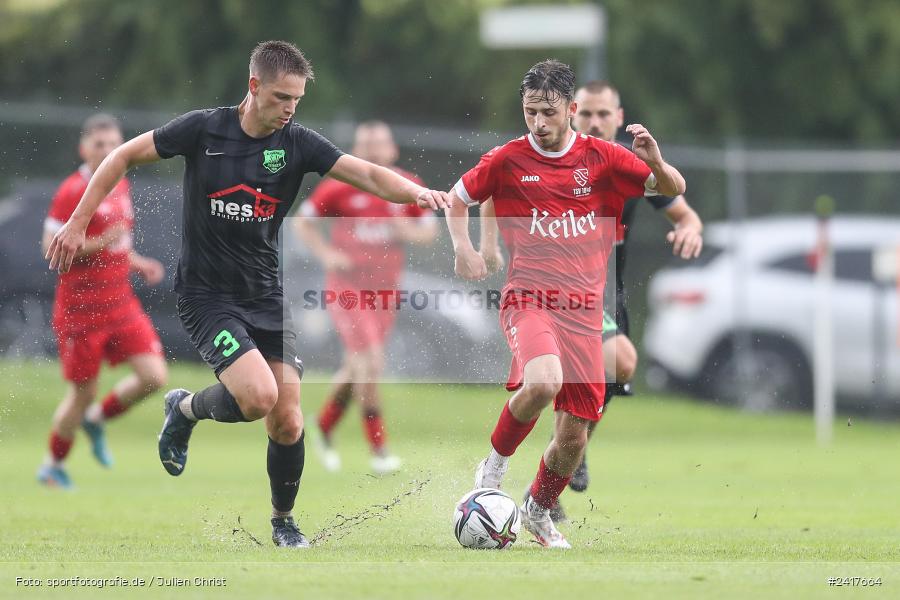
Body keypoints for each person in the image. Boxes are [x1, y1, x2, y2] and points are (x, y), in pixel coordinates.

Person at [46, 41, 449, 547]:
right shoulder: (203, 129)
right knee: (259, 396)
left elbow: (366, 173)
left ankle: (283, 521)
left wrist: (417, 194)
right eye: (281, 97)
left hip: (265, 296)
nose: (289, 109)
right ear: (254, 86)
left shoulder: (297, 142)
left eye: (297, 99)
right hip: (207, 297)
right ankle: (186, 410)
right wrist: (77, 223)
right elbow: (122, 156)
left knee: (288, 418)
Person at [446, 60, 685, 548]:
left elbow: (673, 188)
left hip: (584, 310)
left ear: (571, 110)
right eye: (530, 112)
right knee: (543, 381)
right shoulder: (508, 158)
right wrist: (466, 249)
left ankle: (537, 511)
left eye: (548, 113)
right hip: (528, 299)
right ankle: (493, 468)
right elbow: (458, 199)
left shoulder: (603, 157)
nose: (538, 122)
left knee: (574, 436)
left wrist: (656, 162)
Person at [294, 121, 437, 475]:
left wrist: (408, 232)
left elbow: (429, 231)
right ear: (356, 150)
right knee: (371, 362)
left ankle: (322, 426)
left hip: (384, 293)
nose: (373, 150)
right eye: (366, 144)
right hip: (347, 289)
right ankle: (379, 448)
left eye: (379, 144)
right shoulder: (340, 185)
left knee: (357, 367)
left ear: (392, 149)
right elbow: (302, 222)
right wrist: (327, 254)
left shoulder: (407, 185)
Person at [38, 113, 168, 489]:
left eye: (114, 144)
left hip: (120, 303)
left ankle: (96, 420)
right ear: (84, 149)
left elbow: (118, 241)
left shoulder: (121, 182)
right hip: (81, 311)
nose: (108, 151)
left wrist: (137, 262)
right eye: (100, 144)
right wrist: (100, 242)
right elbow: (50, 249)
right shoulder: (71, 190)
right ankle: (52, 466)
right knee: (82, 394)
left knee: (154, 376)